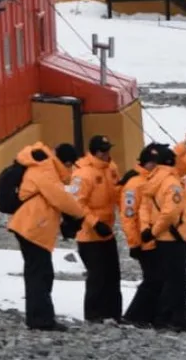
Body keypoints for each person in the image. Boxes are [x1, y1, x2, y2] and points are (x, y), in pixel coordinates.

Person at [7, 142, 86, 331]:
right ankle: (41, 320)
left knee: (39, 272)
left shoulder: (43, 166)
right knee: (40, 274)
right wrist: (80, 214)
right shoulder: (46, 169)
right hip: (32, 227)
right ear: (67, 162)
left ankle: (39, 317)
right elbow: (59, 197)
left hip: (30, 226)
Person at [138, 143, 186, 332]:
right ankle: (171, 319)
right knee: (176, 281)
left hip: (162, 238)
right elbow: (170, 213)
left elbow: (145, 208)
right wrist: (155, 231)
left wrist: (148, 231)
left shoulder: (153, 181)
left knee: (167, 280)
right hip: (173, 238)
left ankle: (166, 318)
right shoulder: (172, 182)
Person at [70, 135, 122, 323]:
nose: (107, 154)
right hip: (88, 234)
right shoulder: (83, 174)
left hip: (107, 230)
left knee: (113, 274)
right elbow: (77, 203)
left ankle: (113, 313)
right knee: (97, 275)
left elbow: (117, 194)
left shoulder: (111, 169)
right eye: (103, 151)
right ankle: (93, 314)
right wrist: (94, 222)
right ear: (94, 151)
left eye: (108, 149)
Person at [120, 143, 165, 327]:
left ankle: (148, 314)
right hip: (144, 240)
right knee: (152, 278)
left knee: (158, 278)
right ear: (146, 163)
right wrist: (134, 243)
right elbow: (128, 216)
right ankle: (135, 315)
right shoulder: (134, 184)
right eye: (154, 163)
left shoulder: (153, 180)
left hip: (155, 238)